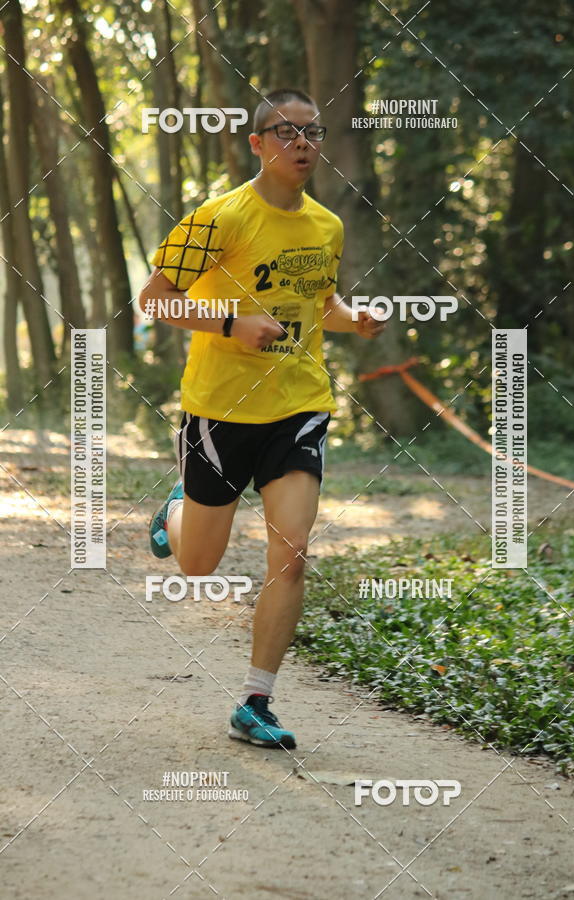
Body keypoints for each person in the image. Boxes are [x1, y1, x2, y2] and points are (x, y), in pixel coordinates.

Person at [138, 87, 385, 750]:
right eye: (286, 132)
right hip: (219, 411)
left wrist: (351, 319)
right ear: (257, 144)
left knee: (293, 553)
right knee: (197, 566)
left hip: (299, 405)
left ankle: (256, 701)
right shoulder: (218, 219)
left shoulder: (326, 226)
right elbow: (153, 299)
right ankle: (176, 513)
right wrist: (229, 323)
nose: (302, 143)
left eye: (312, 132)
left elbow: (318, 302)